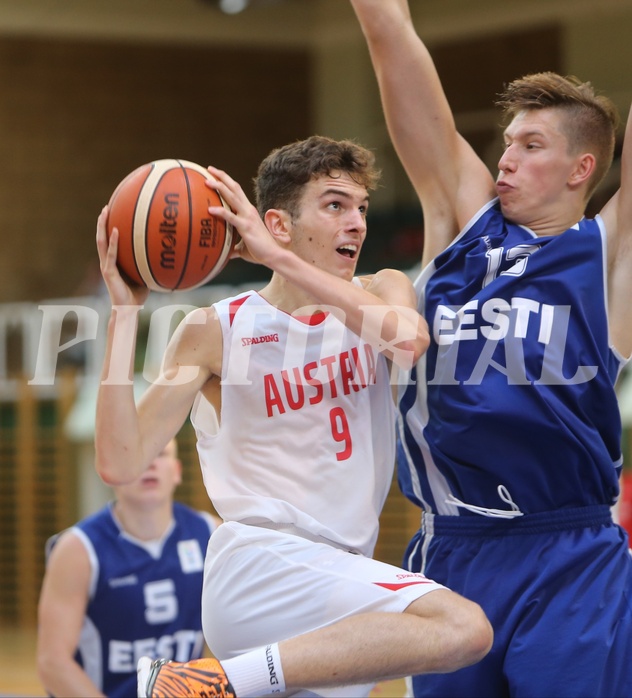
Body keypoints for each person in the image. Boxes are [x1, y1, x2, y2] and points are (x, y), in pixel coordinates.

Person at [93, 135, 493, 698]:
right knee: (461, 628)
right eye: (334, 205)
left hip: (341, 578)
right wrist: (124, 315)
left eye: (361, 209)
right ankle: (203, 680)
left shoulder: (381, 290)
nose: (355, 222)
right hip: (261, 564)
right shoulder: (216, 329)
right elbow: (119, 460)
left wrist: (283, 261)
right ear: (276, 225)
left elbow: (408, 341)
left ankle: (211, 683)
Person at [349, 1, 632, 696]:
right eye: (506, 142)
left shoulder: (605, 253)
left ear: (581, 167)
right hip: (452, 550)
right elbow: (392, 38)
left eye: (531, 145)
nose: (505, 158)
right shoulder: (462, 227)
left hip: (573, 556)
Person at [36, 439, 219, 698]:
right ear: (112, 473)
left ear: (177, 471)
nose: (151, 463)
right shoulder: (79, 549)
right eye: (137, 454)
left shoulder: (211, 534)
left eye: (161, 454)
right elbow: (52, 663)